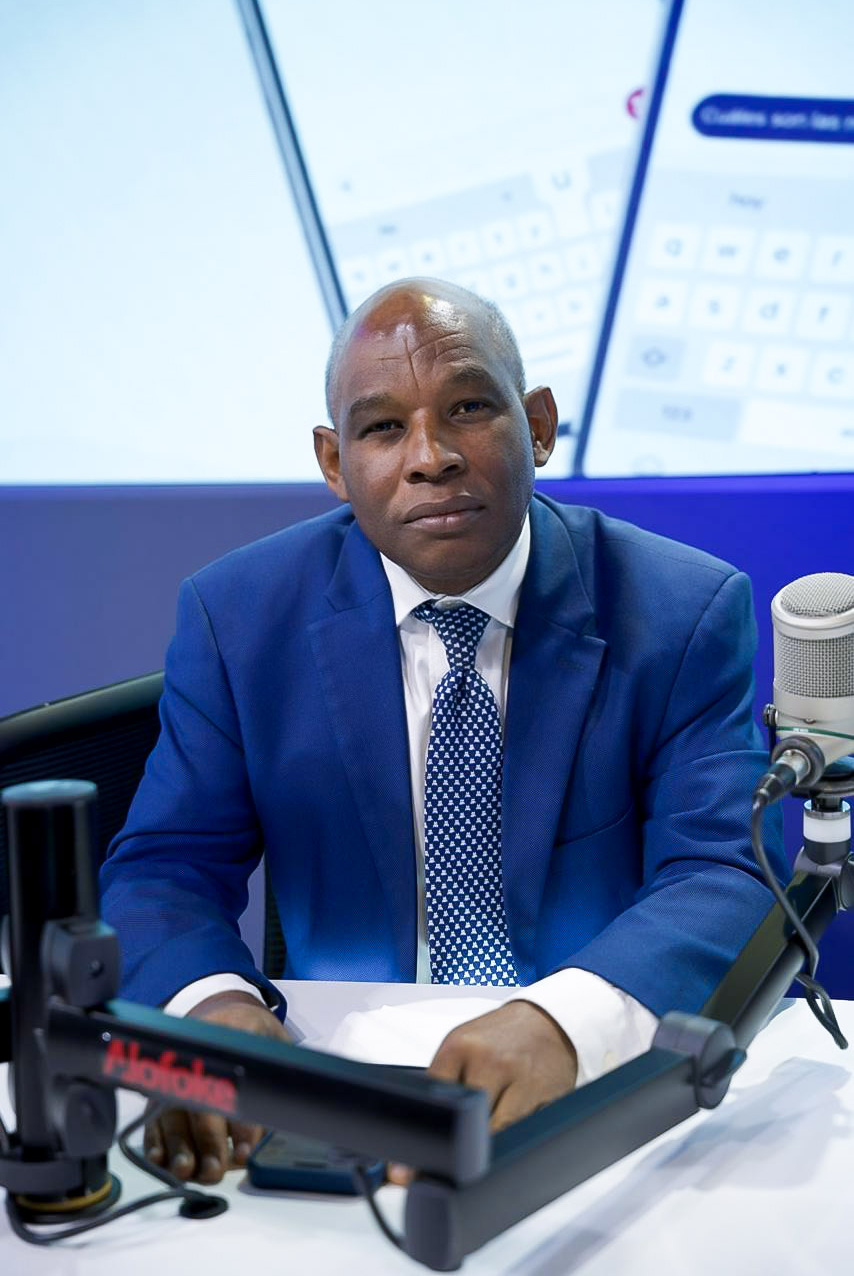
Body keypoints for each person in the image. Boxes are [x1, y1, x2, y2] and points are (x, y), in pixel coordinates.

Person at [100, 278, 784, 1185]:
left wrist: (561, 1023)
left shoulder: (680, 611)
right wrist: (212, 1006)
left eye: (467, 408)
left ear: (538, 424)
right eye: (383, 427)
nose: (430, 458)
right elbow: (164, 867)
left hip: (590, 1084)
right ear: (335, 463)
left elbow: (727, 871)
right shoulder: (239, 617)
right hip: (334, 1088)